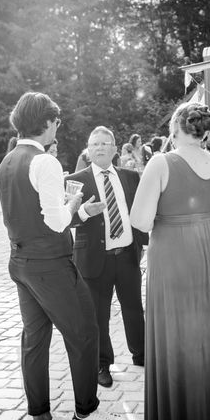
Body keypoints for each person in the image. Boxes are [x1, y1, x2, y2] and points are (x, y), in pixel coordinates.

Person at [0, 92, 126, 420]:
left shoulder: (6, 161)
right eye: (57, 121)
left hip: (20, 263)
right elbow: (54, 222)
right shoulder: (45, 162)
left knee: (34, 341)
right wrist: (73, 202)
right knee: (85, 332)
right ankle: (86, 412)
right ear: (48, 123)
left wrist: (82, 214)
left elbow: (29, 218)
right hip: (51, 265)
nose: (58, 127)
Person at [130, 102, 210, 420]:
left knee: (176, 337)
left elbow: (140, 220)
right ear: (206, 131)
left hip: (173, 256)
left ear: (176, 128)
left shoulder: (161, 163)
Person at [66, 126, 148, 388]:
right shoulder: (76, 181)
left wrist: (144, 242)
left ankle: (142, 354)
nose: (100, 147)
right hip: (93, 259)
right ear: (88, 151)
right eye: (95, 144)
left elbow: (139, 211)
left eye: (105, 143)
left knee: (134, 308)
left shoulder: (130, 176)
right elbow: (65, 221)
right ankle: (103, 364)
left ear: (115, 148)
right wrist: (85, 213)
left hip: (127, 256)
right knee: (98, 315)